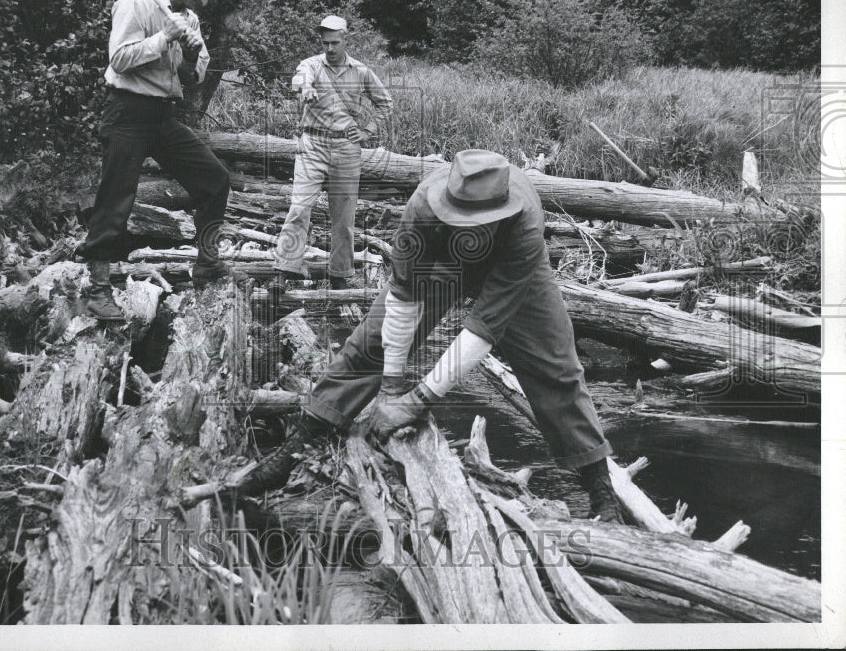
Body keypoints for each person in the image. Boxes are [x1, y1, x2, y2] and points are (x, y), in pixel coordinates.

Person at [242, 149, 623, 523]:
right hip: (442, 260)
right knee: (370, 344)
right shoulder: (422, 212)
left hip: (510, 261)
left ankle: (602, 492)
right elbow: (404, 301)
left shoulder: (524, 222)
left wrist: (417, 400)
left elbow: (483, 327)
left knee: (555, 366)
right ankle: (301, 442)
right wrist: (392, 389)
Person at [80, 0, 238, 321]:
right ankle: (98, 289)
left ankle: (207, 263)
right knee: (116, 197)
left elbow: (189, 77)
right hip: (127, 112)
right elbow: (118, 59)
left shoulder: (191, 19)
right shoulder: (135, 4)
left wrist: (194, 53)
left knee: (215, 179)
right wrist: (163, 36)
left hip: (162, 115)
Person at [272, 15, 393, 291]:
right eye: (325, 43)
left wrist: (366, 131)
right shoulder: (312, 65)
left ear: (345, 39)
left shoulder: (361, 71)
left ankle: (341, 274)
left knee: (344, 217)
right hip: (312, 145)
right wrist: (305, 87)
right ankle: (284, 269)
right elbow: (300, 77)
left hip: (346, 149)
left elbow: (385, 103)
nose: (329, 48)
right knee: (300, 207)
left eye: (335, 42)